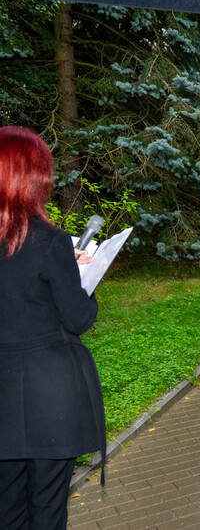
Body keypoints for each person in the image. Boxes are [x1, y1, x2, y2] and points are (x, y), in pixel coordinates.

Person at [0, 126, 106, 529]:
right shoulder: (51, 241)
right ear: (34, 178)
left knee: (7, 511)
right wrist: (82, 280)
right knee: (46, 510)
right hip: (50, 400)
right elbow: (78, 318)